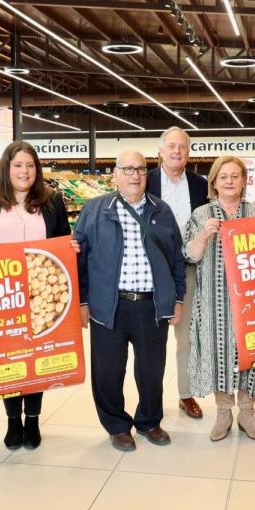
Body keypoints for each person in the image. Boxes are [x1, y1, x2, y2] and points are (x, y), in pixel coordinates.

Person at [74, 150, 187, 451]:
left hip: (151, 305)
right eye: (127, 169)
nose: (134, 175)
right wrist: (83, 302)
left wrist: (177, 297)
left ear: (146, 174)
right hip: (108, 306)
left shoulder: (161, 211)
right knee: (108, 372)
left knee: (151, 370)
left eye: (140, 169)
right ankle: (116, 425)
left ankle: (150, 421)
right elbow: (80, 259)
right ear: (115, 174)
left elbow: (176, 258)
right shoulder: (95, 210)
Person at [0, 141, 72, 451]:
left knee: (36, 356)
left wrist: (72, 250)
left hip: (43, 296)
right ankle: (12, 420)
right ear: (6, 168)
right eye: (18, 165)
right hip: (3, 296)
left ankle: (32, 419)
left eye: (30, 165)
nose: (24, 171)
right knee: (8, 357)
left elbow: (62, 241)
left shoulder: (52, 202)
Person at [184, 156, 255, 442]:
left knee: (250, 354)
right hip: (213, 302)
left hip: (251, 302)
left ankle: (247, 412)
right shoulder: (201, 214)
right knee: (218, 354)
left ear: (244, 181)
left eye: (235, 176)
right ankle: (223, 413)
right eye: (224, 176)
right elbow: (190, 255)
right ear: (214, 182)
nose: (229, 181)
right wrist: (204, 236)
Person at [145, 127, 209, 420]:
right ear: (160, 151)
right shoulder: (145, 180)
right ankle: (150, 399)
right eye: (171, 146)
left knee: (186, 337)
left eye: (182, 147)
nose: (176, 151)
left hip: (189, 268)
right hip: (151, 269)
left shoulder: (199, 184)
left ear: (188, 152)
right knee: (151, 338)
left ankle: (185, 394)